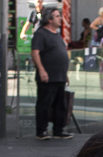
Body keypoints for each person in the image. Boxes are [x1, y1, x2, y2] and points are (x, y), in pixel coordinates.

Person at [32, 7, 72, 140]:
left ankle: (58, 130)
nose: (60, 18)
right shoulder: (41, 34)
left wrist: (65, 74)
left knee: (61, 105)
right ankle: (41, 130)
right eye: (56, 16)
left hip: (59, 75)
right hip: (48, 76)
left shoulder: (57, 34)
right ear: (49, 19)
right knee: (44, 103)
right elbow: (35, 52)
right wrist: (42, 70)